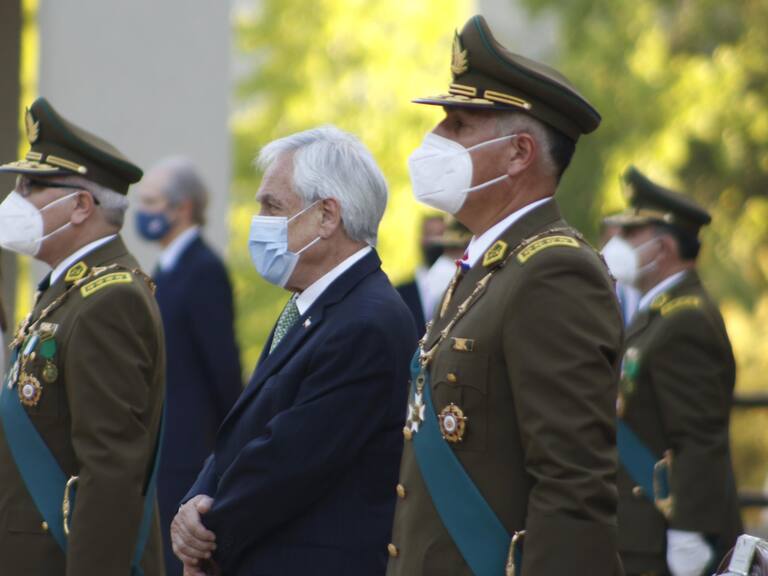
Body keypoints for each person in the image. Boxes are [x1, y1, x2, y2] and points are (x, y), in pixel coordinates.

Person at [387, 15, 624, 576]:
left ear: (519, 154)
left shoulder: (554, 272)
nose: (436, 139)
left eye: (459, 123)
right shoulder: (488, 267)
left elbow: (572, 488)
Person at [170, 126, 417, 575]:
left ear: (326, 216)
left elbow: (288, 462)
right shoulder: (314, 302)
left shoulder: (366, 322)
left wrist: (204, 540)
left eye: (272, 206)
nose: (258, 218)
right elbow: (245, 429)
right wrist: (192, 504)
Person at [0, 97, 165, 575]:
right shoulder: (68, 291)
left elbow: (110, 472)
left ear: (79, 207)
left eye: (32, 186)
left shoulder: (109, 300)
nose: (17, 199)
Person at [603, 166, 742, 576]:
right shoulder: (660, 313)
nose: (618, 242)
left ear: (662, 248)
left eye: (630, 235)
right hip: (643, 527)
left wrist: (690, 533)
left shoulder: (686, 320)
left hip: (665, 533)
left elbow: (699, 437)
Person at [136, 157, 243, 576]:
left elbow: (223, 370)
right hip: (165, 450)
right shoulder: (166, 266)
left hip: (188, 454)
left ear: (181, 208)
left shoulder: (203, 270)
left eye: (150, 201)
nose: (141, 211)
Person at [396, 214, 446, 333]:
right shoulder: (400, 293)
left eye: (441, 235)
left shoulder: (459, 284)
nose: (436, 241)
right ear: (421, 239)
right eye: (430, 234)